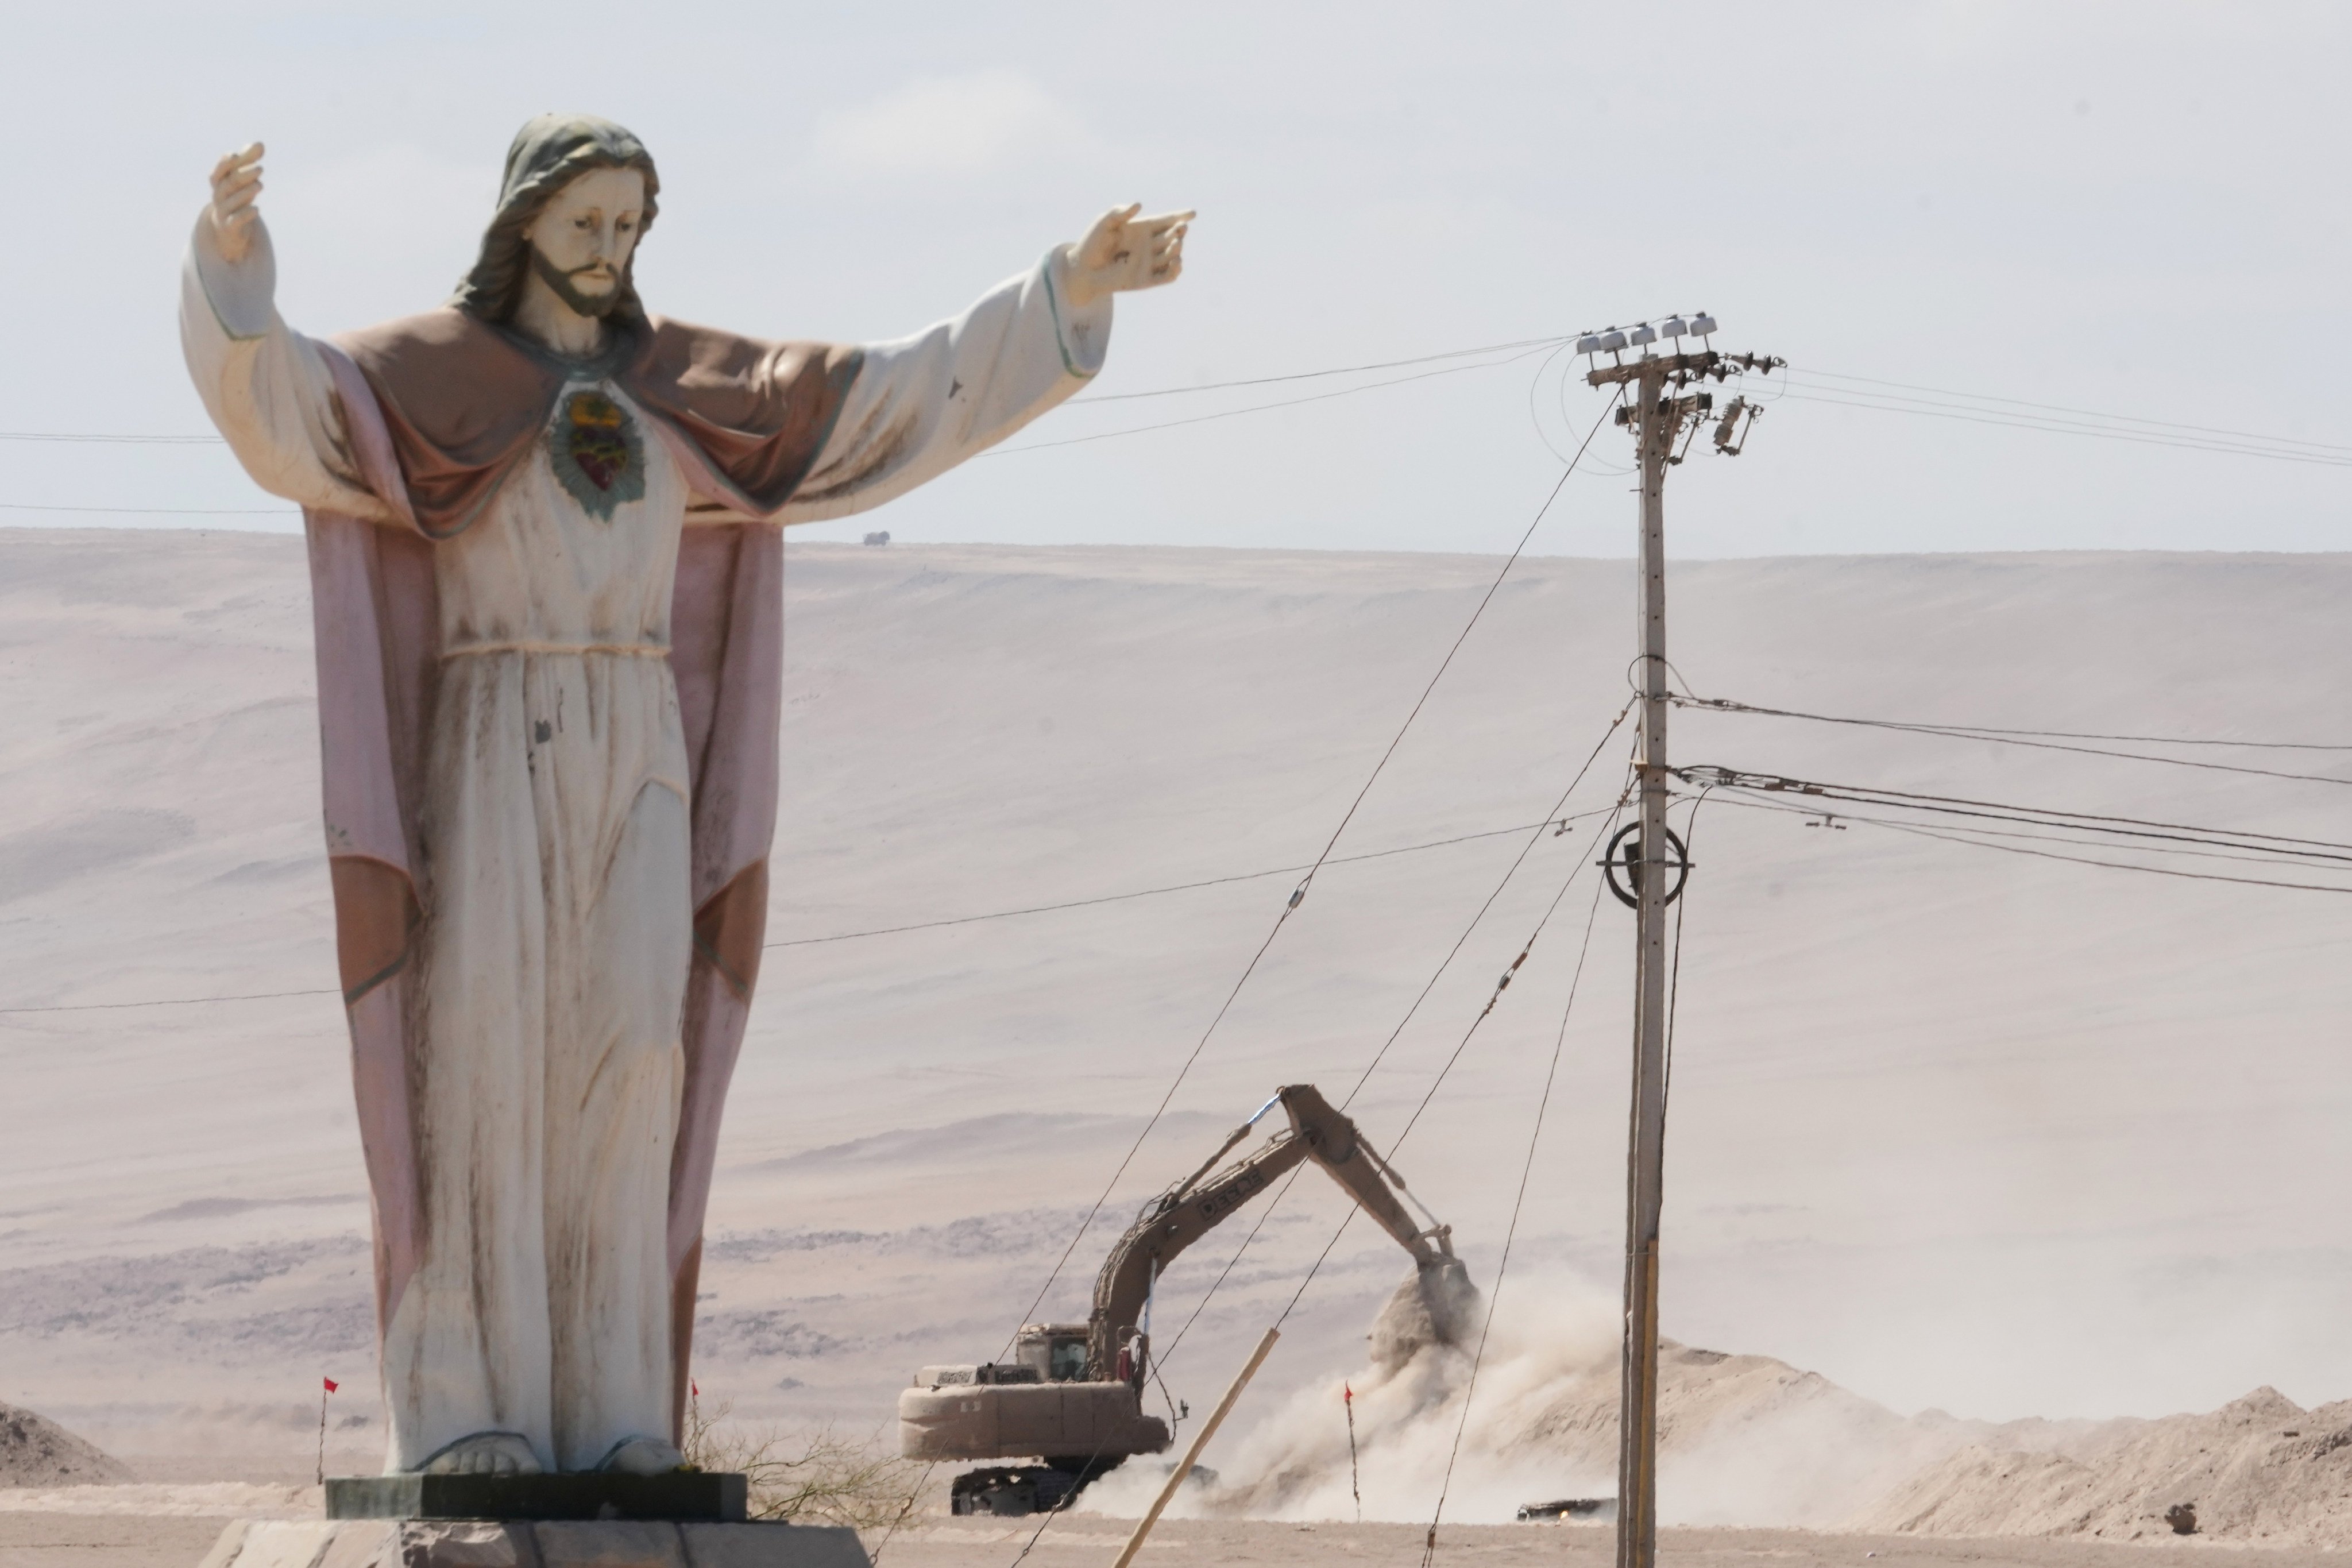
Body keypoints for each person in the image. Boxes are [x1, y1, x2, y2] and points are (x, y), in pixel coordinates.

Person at [179, 113, 1188, 1478]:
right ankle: (474, 1407)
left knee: (631, 1069)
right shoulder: (427, 380)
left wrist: (1064, 292)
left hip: (638, 735)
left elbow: (896, 401)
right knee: (487, 1060)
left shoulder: (694, 389)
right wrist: (234, 270)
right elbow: (286, 410)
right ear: (520, 221)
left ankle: (616, 1414)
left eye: (629, 225)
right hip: (496, 726)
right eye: (585, 221)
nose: (609, 249)